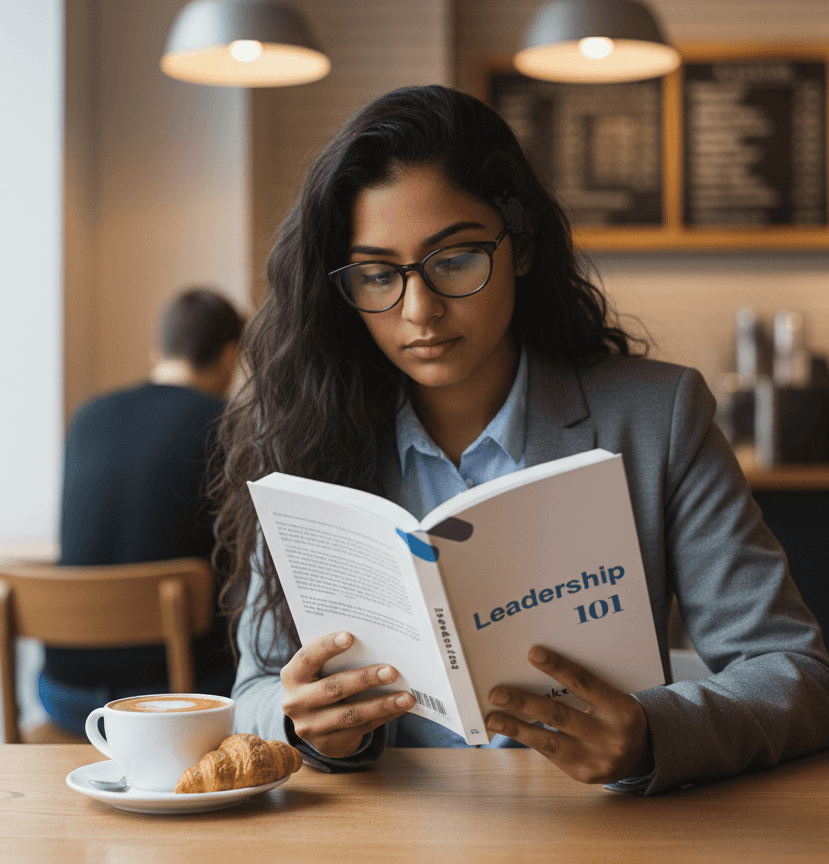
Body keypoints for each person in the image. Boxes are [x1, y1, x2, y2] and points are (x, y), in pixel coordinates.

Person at [210, 85, 829, 794]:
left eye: (455, 259)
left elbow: (794, 672)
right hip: (383, 834)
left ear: (521, 245)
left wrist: (652, 734)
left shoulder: (658, 415)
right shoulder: (305, 438)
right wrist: (299, 723)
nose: (419, 311)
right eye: (378, 274)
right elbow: (255, 690)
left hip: (594, 832)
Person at [40, 287, 244, 737]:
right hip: (174, 697)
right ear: (229, 355)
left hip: (65, 693)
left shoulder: (89, 415)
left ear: (159, 352)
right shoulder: (228, 424)